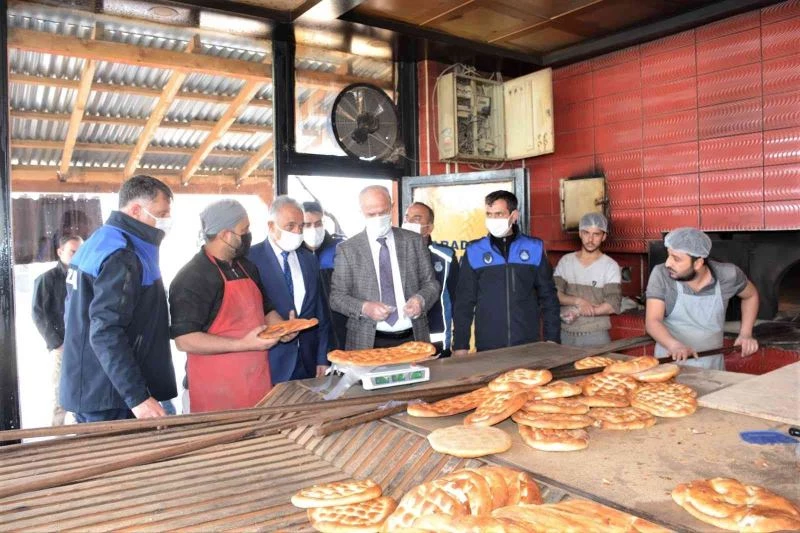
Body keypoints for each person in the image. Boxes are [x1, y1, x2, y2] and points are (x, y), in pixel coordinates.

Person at [60, 175, 177, 422]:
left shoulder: (100, 240)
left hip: (91, 384)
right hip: (112, 395)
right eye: (161, 214)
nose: (166, 221)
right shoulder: (122, 254)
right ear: (136, 210)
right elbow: (105, 330)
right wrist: (138, 397)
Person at [169, 199, 296, 413]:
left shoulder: (247, 267)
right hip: (214, 392)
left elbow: (265, 309)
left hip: (256, 382)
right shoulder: (192, 277)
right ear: (226, 235)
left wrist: (282, 328)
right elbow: (185, 340)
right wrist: (243, 344)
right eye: (244, 230)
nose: (248, 235)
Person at [330, 185, 440, 349]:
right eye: (371, 214)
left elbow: (431, 284)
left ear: (391, 206)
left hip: (414, 337)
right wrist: (364, 308)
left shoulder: (413, 241)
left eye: (383, 212)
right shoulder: (348, 249)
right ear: (361, 211)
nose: (378, 218)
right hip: (367, 341)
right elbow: (337, 297)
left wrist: (420, 300)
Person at [452, 190, 560, 356]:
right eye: (489, 214)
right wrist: (460, 345)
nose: (493, 219)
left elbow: (549, 297)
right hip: (488, 345)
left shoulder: (534, 248)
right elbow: (464, 302)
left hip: (528, 343)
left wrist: (552, 339)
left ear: (514, 216)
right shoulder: (475, 250)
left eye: (499, 214)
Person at [645, 227, 760, 369]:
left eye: (676, 259)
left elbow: (751, 295)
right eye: (668, 255)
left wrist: (746, 334)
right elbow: (653, 321)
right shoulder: (661, 274)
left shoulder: (727, 275)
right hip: (669, 361)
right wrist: (673, 345)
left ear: (698, 263)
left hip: (712, 364)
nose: (668, 263)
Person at [248, 196, 330, 383]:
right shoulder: (250, 259)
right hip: (269, 363)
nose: (297, 232)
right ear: (271, 226)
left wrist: (322, 357)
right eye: (290, 226)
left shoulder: (309, 259)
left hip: (308, 362)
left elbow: (320, 312)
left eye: (301, 226)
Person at [32, 234, 82, 425]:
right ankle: (57, 434)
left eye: (81, 251)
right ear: (60, 252)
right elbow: (38, 314)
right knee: (60, 393)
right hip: (62, 346)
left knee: (84, 392)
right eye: (73, 252)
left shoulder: (86, 276)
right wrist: (57, 343)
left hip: (84, 345)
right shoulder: (47, 279)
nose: (77, 255)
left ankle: (83, 432)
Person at [553, 213, 621, 347]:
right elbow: (554, 294)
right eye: (586, 233)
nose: (590, 239)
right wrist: (578, 301)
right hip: (565, 334)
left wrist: (581, 311)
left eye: (596, 234)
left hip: (596, 335)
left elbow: (613, 304)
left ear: (604, 236)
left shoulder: (610, 266)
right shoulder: (566, 261)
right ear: (580, 234)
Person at [402, 201, 459, 357]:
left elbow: (458, 301)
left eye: (416, 218)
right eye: (407, 218)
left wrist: (460, 342)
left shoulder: (445, 257)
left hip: (436, 343)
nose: (408, 222)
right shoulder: (389, 255)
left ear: (429, 228)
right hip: (400, 343)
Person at [301, 201, 346, 351]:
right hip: (307, 333)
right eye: (307, 225)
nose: (314, 229)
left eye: (318, 223)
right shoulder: (295, 256)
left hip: (339, 330)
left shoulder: (339, 251)